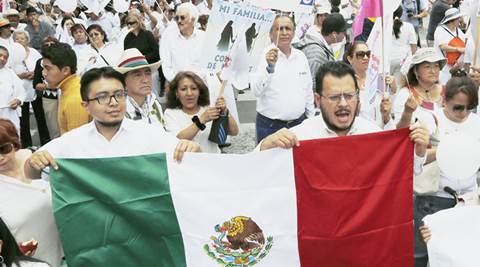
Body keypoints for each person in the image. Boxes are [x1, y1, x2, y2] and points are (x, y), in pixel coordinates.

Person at [24, 67, 201, 180]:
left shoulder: (148, 134)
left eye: (119, 94)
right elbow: (31, 173)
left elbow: (189, 157)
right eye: (102, 97)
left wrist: (192, 149)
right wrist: (33, 163)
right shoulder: (72, 141)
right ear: (86, 106)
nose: (113, 102)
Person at [258, 61, 429, 174]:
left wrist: (419, 151)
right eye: (334, 97)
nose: (343, 104)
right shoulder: (300, 137)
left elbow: (403, 173)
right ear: (318, 100)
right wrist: (266, 146)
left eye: (349, 95)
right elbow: (253, 173)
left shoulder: (373, 136)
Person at [413, 73, 480, 267]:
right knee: (421, 256)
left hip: (468, 202)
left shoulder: (476, 123)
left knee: (461, 257)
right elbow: (416, 162)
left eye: (470, 107)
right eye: (458, 107)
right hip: (433, 201)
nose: (464, 113)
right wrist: (445, 150)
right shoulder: (430, 120)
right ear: (444, 100)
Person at [0, 119, 62, 267]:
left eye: (4, 149)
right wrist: (10, 254)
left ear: (15, 144)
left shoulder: (40, 159)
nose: (0, 157)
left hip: (69, 249)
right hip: (30, 259)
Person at [251, 15, 315, 143]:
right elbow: (256, 91)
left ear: (293, 33)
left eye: (288, 28)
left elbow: (307, 89)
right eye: (279, 29)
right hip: (270, 127)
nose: (284, 32)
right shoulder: (262, 55)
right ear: (271, 34)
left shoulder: (301, 56)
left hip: (299, 124)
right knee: (268, 162)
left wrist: (310, 118)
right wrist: (269, 68)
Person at [164, 71, 239, 153]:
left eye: (194, 88)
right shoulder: (170, 113)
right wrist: (201, 120)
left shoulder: (210, 108)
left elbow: (234, 132)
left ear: (200, 92)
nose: (189, 93)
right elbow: (176, 140)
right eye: (183, 89)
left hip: (212, 161)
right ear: (176, 93)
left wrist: (225, 111)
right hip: (187, 164)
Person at [343, 41, 396, 129]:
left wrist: (393, 87)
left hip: (379, 132)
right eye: (360, 54)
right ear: (350, 59)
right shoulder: (345, 82)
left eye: (368, 54)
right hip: (359, 133)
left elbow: (389, 106)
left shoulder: (379, 78)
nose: (366, 57)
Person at [394, 48, 446, 135]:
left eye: (436, 66)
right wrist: (407, 112)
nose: (433, 71)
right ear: (415, 71)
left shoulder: (448, 91)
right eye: (427, 67)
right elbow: (399, 131)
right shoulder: (406, 94)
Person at [41, 42, 91, 134]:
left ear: (65, 70)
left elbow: (76, 142)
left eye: (48, 68)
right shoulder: (71, 87)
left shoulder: (75, 99)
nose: (44, 73)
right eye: (43, 68)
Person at [12, 30, 50, 147]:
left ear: (27, 40)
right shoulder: (11, 55)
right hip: (20, 91)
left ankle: (46, 143)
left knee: (41, 117)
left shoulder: (34, 52)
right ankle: (27, 145)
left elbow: (42, 66)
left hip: (35, 89)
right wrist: (21, 75)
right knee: (23, 121)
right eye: (17, 39)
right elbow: (8, 72)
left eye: (22, 38)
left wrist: (35, 74)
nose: (19, 41)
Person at [294, 13, 347, 87]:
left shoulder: (324, 46)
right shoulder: (316, 54)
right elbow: (311, 84)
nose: (345, 35)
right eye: (344, 32)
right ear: (334, 34)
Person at [115, 48, 165, 128]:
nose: (145, 80)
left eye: (148, 73)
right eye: (137, 75)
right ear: (123, 82)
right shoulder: (116, 110)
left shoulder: (154, 103)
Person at [160, 2, 205, 82]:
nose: (179, 21)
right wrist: (178, 82)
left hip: (200, 84)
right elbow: (166, 66)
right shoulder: (168, 37)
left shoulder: (203, 37)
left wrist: (195, 81)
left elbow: (207, 65)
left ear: (193, 19)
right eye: (177, 18)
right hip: (177, 86)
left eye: (182, 17)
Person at [32, 37, 60, 139]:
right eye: (46, 45)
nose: (49, 47)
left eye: (52, 44)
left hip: (66, 95)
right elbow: (36, 84)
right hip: (49, 99)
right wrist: (49, 86)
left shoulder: (64, 58)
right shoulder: (40, 62)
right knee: (54, 129)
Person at [433, 7, 468, 84]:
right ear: (452, 20)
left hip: (457, 66)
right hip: (444, 67)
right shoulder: (440, 30)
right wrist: (458, 49)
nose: (460, 20)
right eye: (458, 18)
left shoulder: (458, 30)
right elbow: (442, 46)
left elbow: (465, 42)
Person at [391, 6, 418, 85]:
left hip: (387, 59)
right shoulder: (409, 26)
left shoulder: (383, 25)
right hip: (402, 60)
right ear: (401, 13)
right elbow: (414, 47)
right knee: (398, 84)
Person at [0, 45, 24, 132]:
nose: (2, 59)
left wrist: (18, 100)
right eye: (0, 55)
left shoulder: (10, 73)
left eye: (5, 57)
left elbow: (21, 91)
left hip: (9, 113)